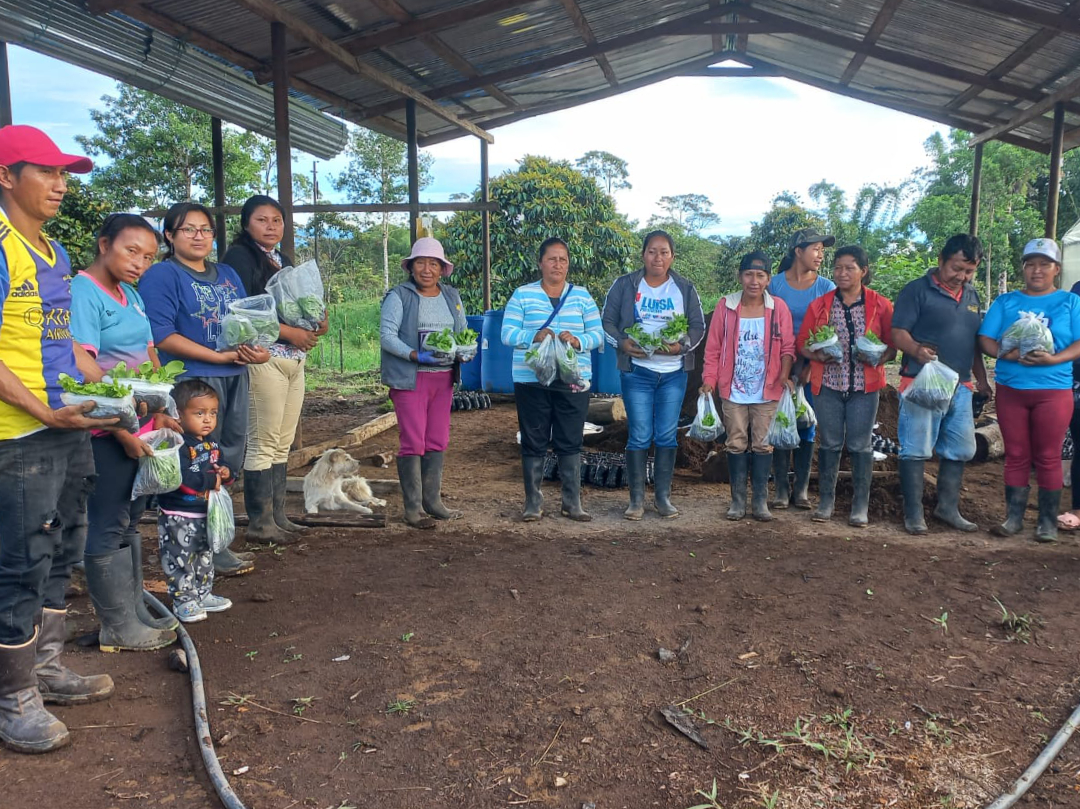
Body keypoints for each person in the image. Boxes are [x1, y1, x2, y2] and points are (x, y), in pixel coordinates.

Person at [0, 125, 114, 753]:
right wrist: (43, 410)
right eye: (45, 171)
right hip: (17, 436)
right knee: (19, 563)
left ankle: (42, 668)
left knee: (62, 548)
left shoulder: (53, 252)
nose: (60, 184)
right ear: (6, 176)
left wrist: (116, 393)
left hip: (65, 426)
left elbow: (62, 347)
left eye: (64, 174)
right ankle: (12, 697)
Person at [139, 203, 269, 576]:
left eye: (206, 230)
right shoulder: (162, 275)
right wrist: (218, 355)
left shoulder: (227, 274)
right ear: (169, 235)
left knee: (225, 458)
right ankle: (186, 543)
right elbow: (162, 335)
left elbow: (246, 324)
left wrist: (253, 350)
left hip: (233, 375)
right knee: (193, 461)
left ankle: (216, 539)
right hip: (193, 380)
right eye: (188, 230)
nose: (199, 237)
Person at [70, 214, 179, 652]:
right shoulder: (84, 292)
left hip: (142, 425)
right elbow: (83, 364)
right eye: (131, 251)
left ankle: (134, 611)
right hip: (109, 430)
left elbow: (151, 355)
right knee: (109, 520)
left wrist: (162, 413)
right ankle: (117, 625)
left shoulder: (130, 295)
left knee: (132, 520)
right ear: (103, 244)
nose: (139, 263)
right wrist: (120, 426)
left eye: (149, 256)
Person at [223, 195, 327, 543]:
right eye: (262, 220)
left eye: (277, 221)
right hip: (262, 358)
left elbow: (294, 305)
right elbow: (243, 311)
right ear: (246, 224)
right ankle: (259, 522)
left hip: (293, 359)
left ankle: (277, 515)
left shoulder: (281, 259)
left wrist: (315, 322)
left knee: (282, 442)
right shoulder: (239, 257)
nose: (271, 227)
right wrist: (291, 332)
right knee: (263, 442)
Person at [978, 238, 1080, 542]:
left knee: (1048, 455)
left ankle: (1047, 522)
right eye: (1031, 264)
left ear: (1056, 269)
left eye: (1044, 264)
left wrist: (1054, 358)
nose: (1037, 270)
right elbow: (985, 338)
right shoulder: (1006, 302)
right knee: (1018, 455)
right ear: (1023, 268)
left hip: (1054, 390)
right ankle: (1013, 518)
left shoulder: (1070, 302)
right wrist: (1004, 354)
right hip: (1012, 389)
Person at [601, 230, 706, 519]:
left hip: (673, 374)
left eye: (664, 252)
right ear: (643, 254)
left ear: (672, 256)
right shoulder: (625, 285)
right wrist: (622, 342)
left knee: (666, 436)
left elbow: (697, 327)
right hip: (638, 372)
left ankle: (662, 498)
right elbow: (607, 321)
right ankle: (636, 500)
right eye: (652, 251)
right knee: (639, 435)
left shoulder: (684, 288)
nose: (657, 257)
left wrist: (680, 346)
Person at [892, 234, 992, 535]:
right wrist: (917, 351)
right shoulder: (916, 291)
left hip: (960, 386)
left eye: (969, 271)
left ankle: (947, 508)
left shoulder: (972, 297)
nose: (961, 276)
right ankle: (914, 514)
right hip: (922, 381)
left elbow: (974, 343)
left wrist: (983, 379)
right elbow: (898, 333)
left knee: (961, 448)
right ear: (940, 260)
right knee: (916, 447)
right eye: (956, 268)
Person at [503, 237, 604, 522]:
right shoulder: (522, 295)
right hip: (531, 380)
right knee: (533, 439)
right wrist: (530, 336)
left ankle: (572, 503)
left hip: (573, 379)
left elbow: (598, 335)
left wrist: (578, 340)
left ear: (568, 264)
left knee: (570, 440)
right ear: (540, 263)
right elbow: (506, 333)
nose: (557, 264)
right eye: (551, 259)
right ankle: (533, 503)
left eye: (563, 259)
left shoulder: (582, 296)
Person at [797, 246, 895, 526]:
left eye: (849, 268)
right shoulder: (821, 305)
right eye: (838, 267)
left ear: (863, 271)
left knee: (860, 446)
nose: (842, 273)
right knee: (829, 443)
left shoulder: (880, 304)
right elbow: (803, 343)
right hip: (828, 384)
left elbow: (893, 346)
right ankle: (826, 502)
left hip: (865, 386)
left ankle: (859, 506)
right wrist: (816, 355)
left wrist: (880, 355)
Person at [381, 237, 472, 529]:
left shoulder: (451, 296)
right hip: (411, 379)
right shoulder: (399, 296)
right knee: (413, 440)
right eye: (421, 263)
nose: (427, 269)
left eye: (434, 264)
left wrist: (465, 350)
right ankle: (412, 509)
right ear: (411, 267)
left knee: (436, 439)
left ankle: (433, 502)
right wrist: (413, 354)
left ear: (442, 269)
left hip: (442, 379)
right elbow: (387, 336)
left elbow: (463, 331)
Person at [701, 251, 795, 522]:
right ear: (740, 276)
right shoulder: (726, 306)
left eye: (760, 275)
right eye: (749, 274)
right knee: (736, 442)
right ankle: (738, 501)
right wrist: (709, 380)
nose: (754, 281)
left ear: (768, 279)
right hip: (733, 389)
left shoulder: (778, 308)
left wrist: (785, 374)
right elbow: (714, 347)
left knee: (763, 445)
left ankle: (761, 501)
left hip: (767, 389)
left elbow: (788, 346)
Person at [768, 228, 836, 510]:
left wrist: (809, 365)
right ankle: (781, 489)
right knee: (782, 421)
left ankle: (802, 488)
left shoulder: (826, 288)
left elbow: (830, 331)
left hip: (814, 367)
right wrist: (786, 366)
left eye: (822, 250)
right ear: (798, 251)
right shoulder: (774, 286)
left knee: (806, 423)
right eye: (815, 249)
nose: (820, 255)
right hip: (780, 367)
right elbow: (768, 327)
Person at [155, 380, 234, 623]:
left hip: (204, 511)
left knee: (204, 555)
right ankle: (183, 599)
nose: (207, 420)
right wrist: (210, 482)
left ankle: (202, 593)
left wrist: (225, 473)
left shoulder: (210, 442)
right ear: (177, 415)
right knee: (181, 557)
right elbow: (181, 478)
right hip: (179, 513)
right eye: (199, 413)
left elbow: (215, 466)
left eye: (212, 413)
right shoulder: (176, 443)